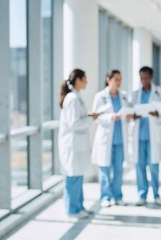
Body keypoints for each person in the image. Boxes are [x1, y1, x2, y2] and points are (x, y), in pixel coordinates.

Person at [58, 69, 97, 219]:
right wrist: (90, 120)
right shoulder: (72, 99)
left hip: (77, 144)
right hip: (71, 144)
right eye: (85, 79)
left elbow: (77, 118)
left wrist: (88, 116)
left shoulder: (76, 97)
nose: (87, 82)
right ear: (78, 80)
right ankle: (72, 210)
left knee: (78, 176)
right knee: (72, 178)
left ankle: (79, 206)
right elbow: (74, 123)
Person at [91, 70, 132, 208]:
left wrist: (128, 116)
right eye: (116, 80)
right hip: (105, 139)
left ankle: (118, 196)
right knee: (105, 171)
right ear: (108, 80)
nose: (119, 82)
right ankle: (105, 197)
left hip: (120, 140)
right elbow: (95, 117)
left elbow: (129, 111)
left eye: (120, 79)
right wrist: (110, 117)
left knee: (119, 171)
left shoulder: (124, 96)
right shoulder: (100, 96)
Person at [130, 66, 161, 206]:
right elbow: (130, 112)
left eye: (146, 78)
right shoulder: (135, 94)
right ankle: (142, 195)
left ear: (151, 77)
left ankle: (156, 195)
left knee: (154, 166)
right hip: (139, 135)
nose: (143, 80)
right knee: (140, 166)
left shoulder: (160, 93)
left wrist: (157, 114)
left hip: (153, 135)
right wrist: (134, 115)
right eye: (141, 78)